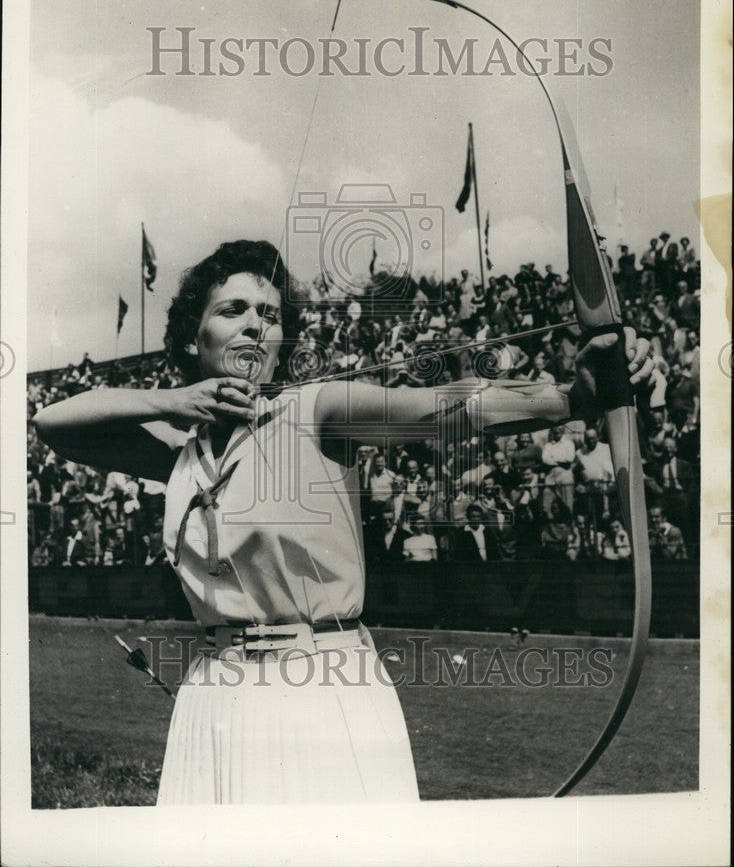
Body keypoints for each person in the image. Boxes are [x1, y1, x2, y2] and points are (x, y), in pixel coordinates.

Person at [34, 237, 653, 805]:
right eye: (233, 309)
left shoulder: (315, 410)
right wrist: (171, 402)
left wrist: (572, 398)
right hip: (214, 695)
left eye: (270, 315)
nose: (255, 323)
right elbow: (51, 423)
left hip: (321, 688)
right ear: (194, 339)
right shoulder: (180, 448)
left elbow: (442, 409)